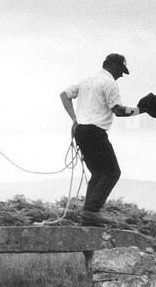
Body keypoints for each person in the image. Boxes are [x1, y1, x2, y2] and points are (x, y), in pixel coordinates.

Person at [60, 53, 141, 225]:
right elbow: (118, 110)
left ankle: (88, 217)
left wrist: (75, 118)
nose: (121, 75)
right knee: (112, 172)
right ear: (111, 65)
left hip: (81, 131)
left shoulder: (87, 80)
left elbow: (64, 95)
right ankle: (91, 211)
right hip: (95, 131)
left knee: (98, 172)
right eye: (121, 70)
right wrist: (141, 110)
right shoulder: (109, 83)